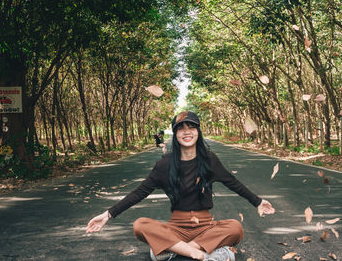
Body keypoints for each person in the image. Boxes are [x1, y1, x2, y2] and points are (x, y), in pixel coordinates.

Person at [86, 111, 275, 261]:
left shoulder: (209, 160)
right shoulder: (164, 165)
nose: (187, 132)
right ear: (175, 134)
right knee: (140, 225)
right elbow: (140, 192)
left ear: (198, 132)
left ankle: (172, 250)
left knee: (235, 228)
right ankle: (200, 254)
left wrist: (258, 202)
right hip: (175, 228)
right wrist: (108, 215)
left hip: (205, 226)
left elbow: (232, 183)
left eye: (191, 127)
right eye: (181, 128)